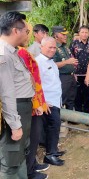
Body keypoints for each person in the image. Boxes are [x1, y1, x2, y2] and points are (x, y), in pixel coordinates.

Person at [0, 11, 35, 179]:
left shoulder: (12, 51)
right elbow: (6, 93)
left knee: (20, 152)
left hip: (22, 108)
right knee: (10, 158)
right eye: (26, 31)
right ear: (16, 31)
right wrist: (14, 125)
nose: (27, 35)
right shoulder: (3, 54)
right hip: (15, 109)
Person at [18, 31, 50, 179]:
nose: (28, 36)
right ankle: (29, 171)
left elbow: (36, 80)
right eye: (26, 33)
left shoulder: (22, 51)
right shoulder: (20, 53)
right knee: (31, 138)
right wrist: (38, 103)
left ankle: (32, 164)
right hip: (29, 104)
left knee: (33, 138)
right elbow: (30, 81)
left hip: (34, 101)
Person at [36, 37, 65, 166]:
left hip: (55, 100)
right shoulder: (38, 62)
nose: (53, 50)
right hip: (47, 102)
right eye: (50, 47)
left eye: (54, 47)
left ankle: (53, 149)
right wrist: (42, 101)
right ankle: (50, 155)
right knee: (53, 125)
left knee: (53, 127)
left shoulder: (51, 62)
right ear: (42, 47)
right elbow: (35, 84)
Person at [52, 26, 78, 110]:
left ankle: (70, 120)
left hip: (71, 77)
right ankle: (58, 120)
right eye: (63, 34)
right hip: (62, 77)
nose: (65, 36)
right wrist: (67, 62)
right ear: (56, 35)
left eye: (66, 34)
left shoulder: (65, 47)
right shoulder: (53, 47)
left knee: (71, 100)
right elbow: (52, 64)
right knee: (61, 99)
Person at [70, 25, 89, 113]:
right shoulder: (74, 44)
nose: (84, 34)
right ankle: (78, 113)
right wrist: (72, 72)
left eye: (86, 32)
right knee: (77, 94)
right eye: (82, 32)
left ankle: (87, 112)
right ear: (79, 33)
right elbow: (71, 58)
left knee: (88, 94)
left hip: (88, 74)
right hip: (77, 73)